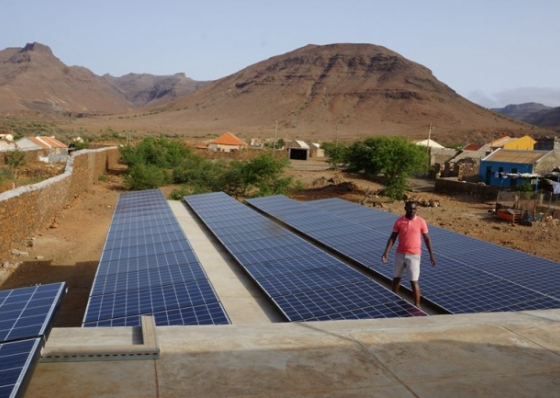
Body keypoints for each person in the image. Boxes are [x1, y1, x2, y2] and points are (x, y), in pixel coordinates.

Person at [381, 201, 436, 308]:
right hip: (400, 254)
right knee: (396, 278)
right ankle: (394, 298)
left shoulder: (421, 222)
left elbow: (427, 239)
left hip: (414, 255)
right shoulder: (399, 221)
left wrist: (431, 255)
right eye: (410, 209)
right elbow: (393, 237)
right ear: (405, 208)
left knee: (413, 280)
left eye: (414, 209)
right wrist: (386, 252)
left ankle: (417, 305)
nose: (412, 211)